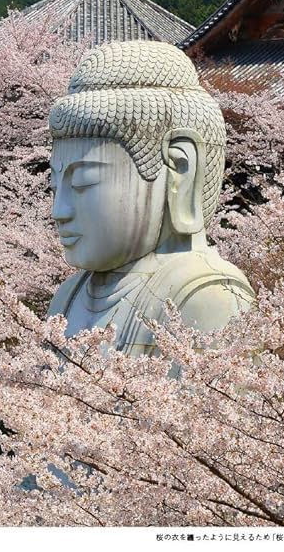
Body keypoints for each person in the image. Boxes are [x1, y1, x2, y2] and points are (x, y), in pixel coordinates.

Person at [47, 40, 253, 357]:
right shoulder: (67, 297)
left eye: (84, 180)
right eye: (54, 184)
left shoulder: (206, 298)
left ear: (179, 169)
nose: (58, 211)